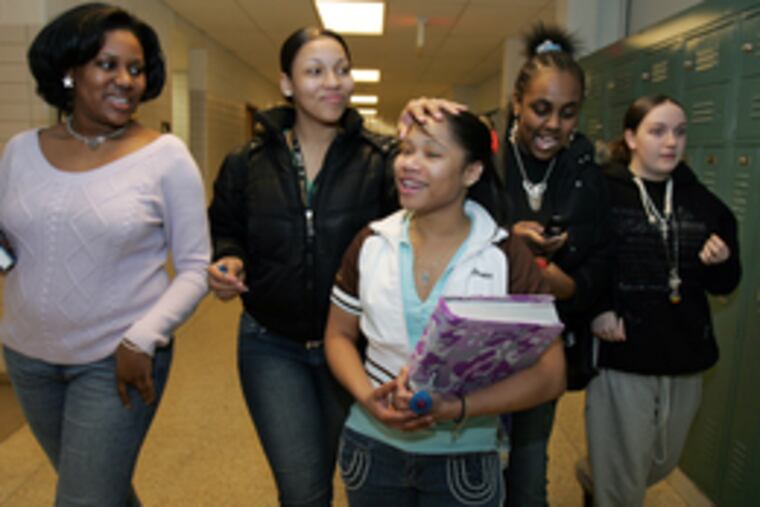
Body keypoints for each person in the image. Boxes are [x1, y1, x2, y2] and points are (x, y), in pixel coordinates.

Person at [0, 3, 210, 506]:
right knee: (98, 489)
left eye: (135, 69)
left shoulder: (166, 157)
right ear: (70, 72)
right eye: (107, 64)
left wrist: (143, 338)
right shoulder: (20, 150)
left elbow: (196, 268)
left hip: (116, 360)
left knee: (83, 498)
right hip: (28, 357)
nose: (126, 80)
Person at [399, 23, 611, 507]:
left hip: (539, 352)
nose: (552, 124)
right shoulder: (483, 156)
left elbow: (602, 266)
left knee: (528, 482)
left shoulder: (588, 173)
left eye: (567, 112)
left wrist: (565, 285)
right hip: (467, 344)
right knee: (463, 472)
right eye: (540, 108)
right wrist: (506, 243)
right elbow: (424, 204)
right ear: (517, 102)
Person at [324, 109, 566, 507]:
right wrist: (369, 399)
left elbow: (551, 374)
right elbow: (338, 335)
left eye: (431, 155)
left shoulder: (504, 256)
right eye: (406, 150)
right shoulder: (371, 243)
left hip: (463, 458)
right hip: (370, 450)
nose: (408, 165)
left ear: (471, 172)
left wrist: (457, 408)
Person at [207, 27, 397, 507]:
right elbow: (226, 228)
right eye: (315, 71)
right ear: (287, 84)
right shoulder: (246, 162)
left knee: (354, 474)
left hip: (354, 345)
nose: (333, 81)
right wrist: (228, 258)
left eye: (342, 69)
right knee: (303, 490)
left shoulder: (379, 162)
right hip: (272, 346)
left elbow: (436, 213)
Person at [586, 94, 741, 506]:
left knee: (661, 460)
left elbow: (726, 283)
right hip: (624, 348)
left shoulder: (701, 201)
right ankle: (607, 484)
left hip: (685, 350)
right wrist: (599, 307)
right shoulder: (603, 192)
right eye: (658, 131)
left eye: (679, 132)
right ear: (631, 138)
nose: (671, 142)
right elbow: (582, 259)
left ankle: (594, 474)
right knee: (623, 477)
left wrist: (720, 262)